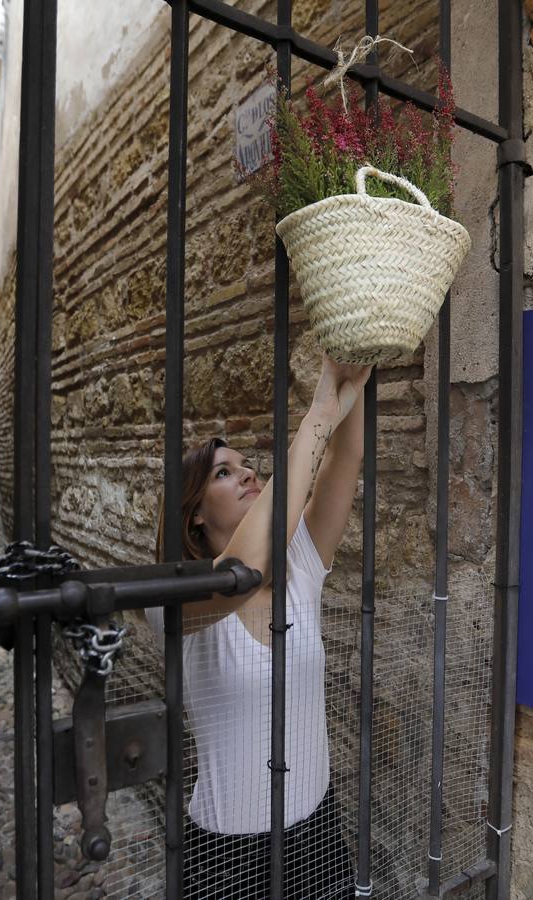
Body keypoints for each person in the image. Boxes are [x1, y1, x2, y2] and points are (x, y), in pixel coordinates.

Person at [146, 354, 370, 899]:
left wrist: (358, 373)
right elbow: (239, 578)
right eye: (224, 473)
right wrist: (318, 412)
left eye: (250, 465)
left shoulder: (302, 568)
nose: (248, 472)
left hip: (317, 833)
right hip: (229, 856)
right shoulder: (171, 600)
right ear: (193, 513)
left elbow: (349, 455)